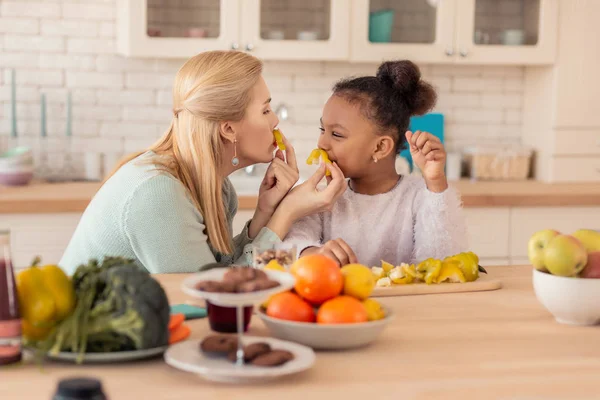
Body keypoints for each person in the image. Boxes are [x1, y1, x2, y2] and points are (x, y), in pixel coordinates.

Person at [59, 51, 347, 274]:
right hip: (84, 340)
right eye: (266, 110)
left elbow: (220, 270)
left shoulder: (218, 188)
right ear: (228, 129)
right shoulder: (158, 193)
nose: (274, 121)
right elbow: (210, 296)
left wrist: (265, 211)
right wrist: (287, 214)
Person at [283, 60, 468, 267]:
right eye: (322, 130)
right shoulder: (322, 198)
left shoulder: (417, 196)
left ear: (380, 147)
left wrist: (435, 184)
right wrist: (311, 252)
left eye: (336, 134)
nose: (321, 143)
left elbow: (441, 261)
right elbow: (287, 246)